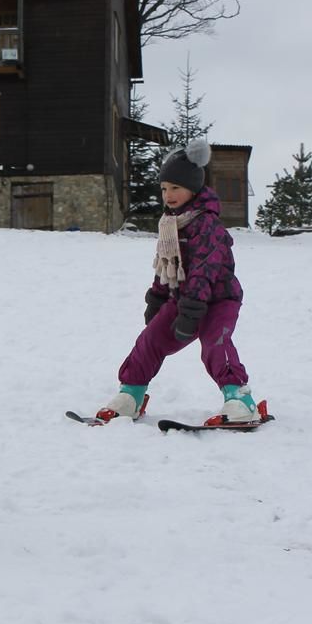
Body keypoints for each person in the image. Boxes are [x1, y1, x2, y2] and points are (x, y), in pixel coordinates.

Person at [97, 138, 261, 423]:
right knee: (150, 340)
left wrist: (193, 308)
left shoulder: (207, 223)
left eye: (175, 187)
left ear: (193, 188)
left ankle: (239, 398)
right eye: (163, 188)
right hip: (184, 300)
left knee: (214, 343)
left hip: (219, 300)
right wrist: (157, 298)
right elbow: (167, 265)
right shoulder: (170, 223)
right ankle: (132, 393)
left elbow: (203, 269)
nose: (168, 194)